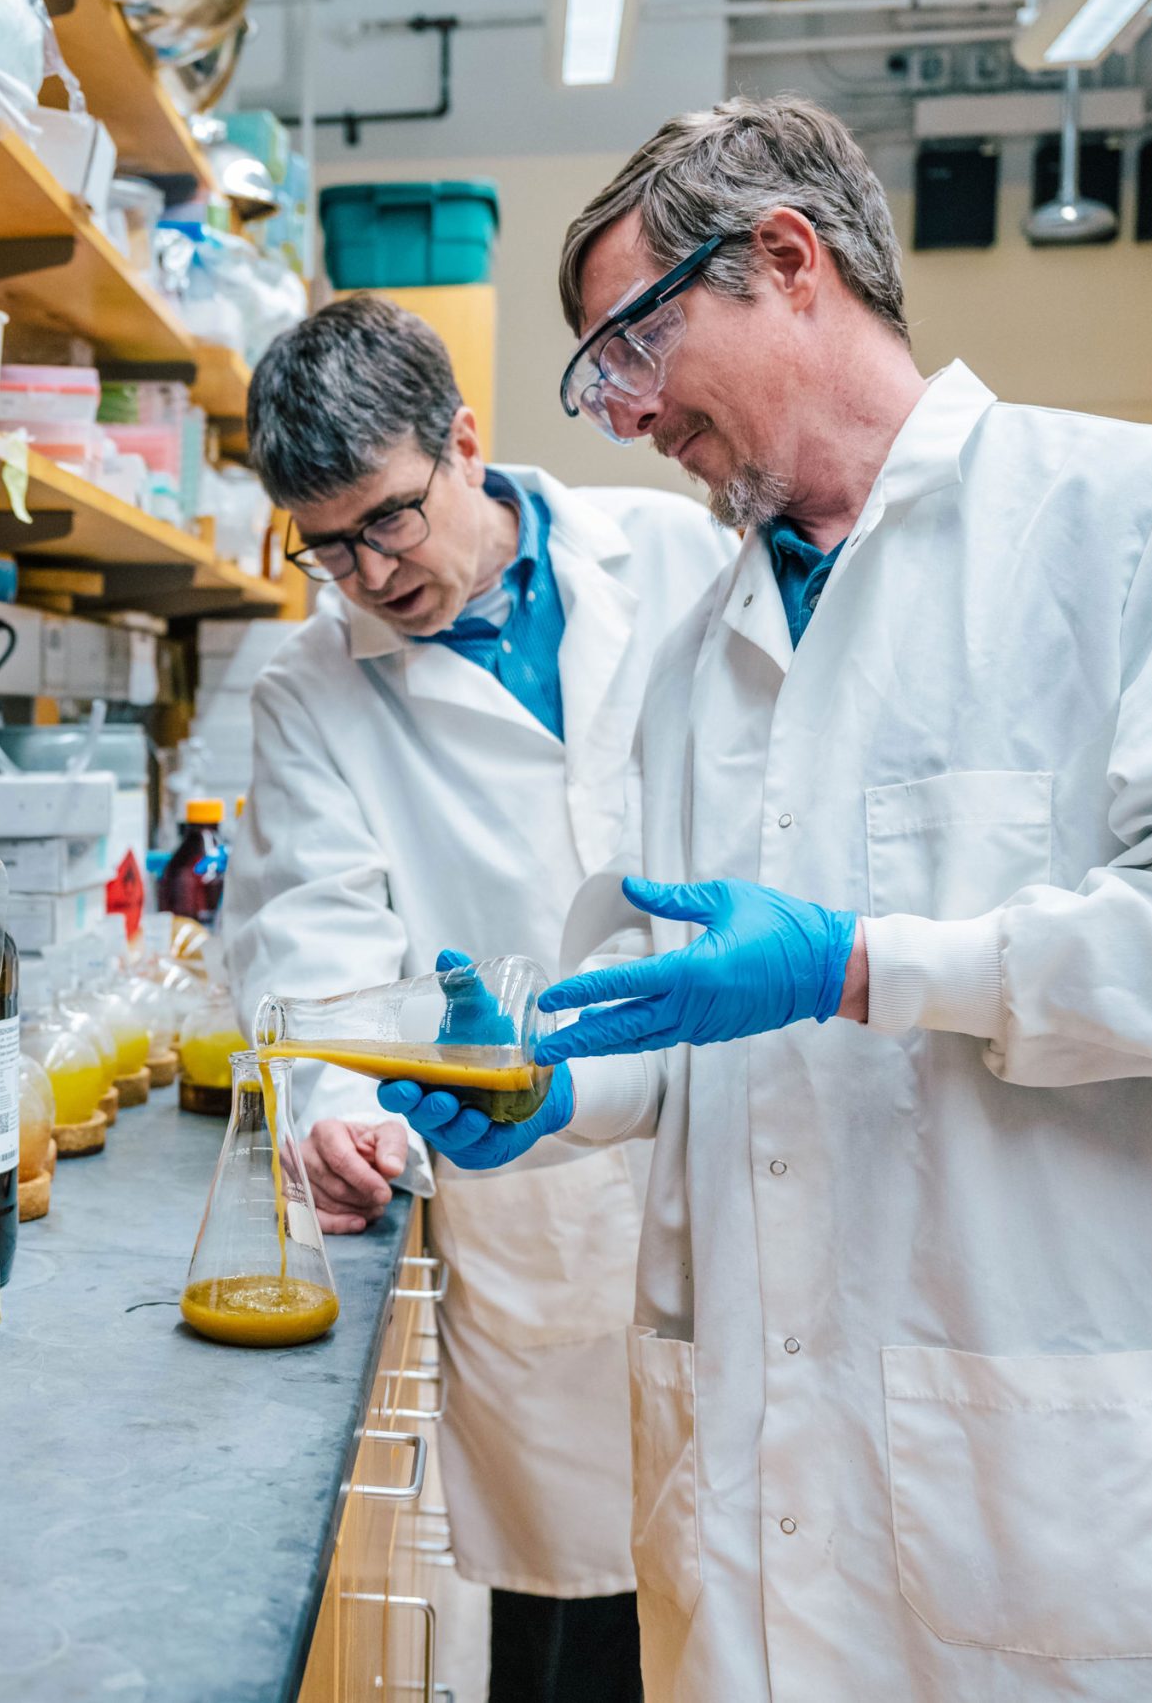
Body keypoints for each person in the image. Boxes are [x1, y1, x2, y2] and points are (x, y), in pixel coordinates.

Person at [386, 95, 1152, 1703]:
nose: (623, 418)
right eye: (596, 382)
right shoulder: (705, 661)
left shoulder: (1147, 526)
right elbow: (728, 1029)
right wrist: (565, 1082)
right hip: (779, 1507)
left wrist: (870, 965)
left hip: (1085, 1490)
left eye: (633, 348)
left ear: (788, 260)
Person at [224, 293, 734, 1703]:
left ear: (462, 442)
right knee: (574, 1614)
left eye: (387, 518)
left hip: (742, 1120)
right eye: (323, 545)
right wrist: (331, 1109)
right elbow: (312, 933)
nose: (367, 574)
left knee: (760, 1575)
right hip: (540, 1190)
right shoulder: (310, 691)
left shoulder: (681, 552)